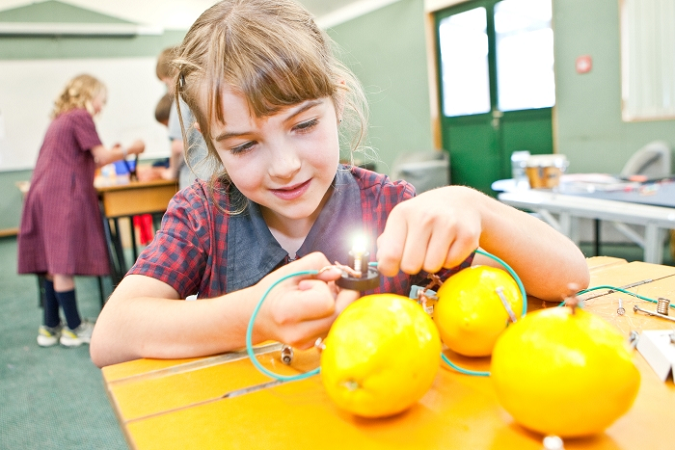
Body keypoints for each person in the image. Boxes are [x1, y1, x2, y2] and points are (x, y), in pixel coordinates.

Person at [89, 0, 589, 367]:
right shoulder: (202, 214)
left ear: (338, 104)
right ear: (211, 143)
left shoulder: (390, 207)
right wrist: (255, 315)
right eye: (243, 146)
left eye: (303, 126)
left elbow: (570, 277)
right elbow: (111, 337)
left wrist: (475, 208)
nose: (284, 167)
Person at [18, 74, 145, 348]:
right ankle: (75, 328)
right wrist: (130, 149)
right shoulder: (79, 116)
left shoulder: (60, 119)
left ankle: (50, 326)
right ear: (90, 94)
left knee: (53, 264)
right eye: (101, 100)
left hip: (43, 192)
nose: (101, 107)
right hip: (62, 195)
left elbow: (85, 158)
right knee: (63, 263)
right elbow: (100, 156)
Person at [156, 46, 211, 189]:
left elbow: (178, 147)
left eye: (167, 83)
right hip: (217, 179)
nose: (168, 89)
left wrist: (172, 172)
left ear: (174, 73)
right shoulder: (206, 90)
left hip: (195, 183)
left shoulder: (181, 95)